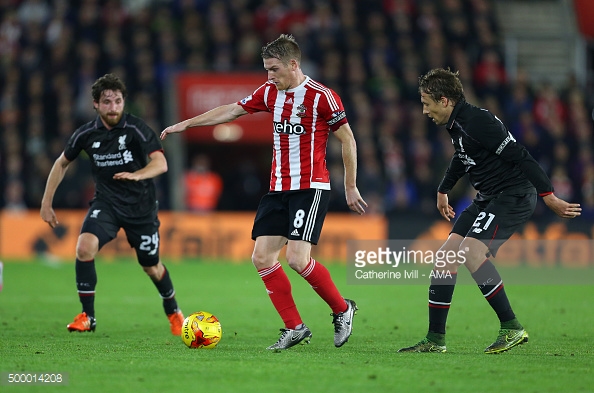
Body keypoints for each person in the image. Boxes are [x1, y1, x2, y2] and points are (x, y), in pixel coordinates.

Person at [161, 34, 368, 350]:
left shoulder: (322, 96)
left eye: (274, 69)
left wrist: (350, 186)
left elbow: (348, 140)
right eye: (266, 70)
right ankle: (294, 327)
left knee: (298, 259)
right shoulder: (270, 93)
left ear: (293, 64)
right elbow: (232, 110)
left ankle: (342, 309)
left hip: (309, 187)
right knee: (261, 257)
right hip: (277, 189)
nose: (269, 76)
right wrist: (187, 124)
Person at [398, 68, 581, 354]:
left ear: (444, 100)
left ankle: (512, 327)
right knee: (446, 257)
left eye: (426, 103)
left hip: (513, 195)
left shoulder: (477, 121)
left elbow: (521, 156)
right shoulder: (458, 124)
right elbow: (463, 156)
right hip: (488, 197)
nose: (424, 111)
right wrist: (443, 189)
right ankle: (435, 340)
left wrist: (549, 196)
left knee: (471, 252)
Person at [40, 74, 184, 335]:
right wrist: (46, 202)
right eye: (107, 102)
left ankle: (173, 311)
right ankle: (87, 317)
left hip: (141, 208)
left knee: (151, 266)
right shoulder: (85, 134)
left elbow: (160, 163)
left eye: (118, 101)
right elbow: (61, 163)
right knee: (84, 248)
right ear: (96, 104)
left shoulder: (138, 129)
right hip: (106, 204)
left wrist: (137, 174)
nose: (114, 107)